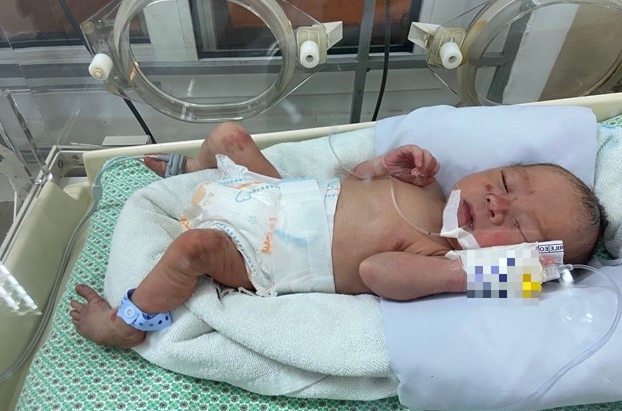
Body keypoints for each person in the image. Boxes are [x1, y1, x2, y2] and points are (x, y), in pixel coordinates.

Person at [70, 122, 604, 348]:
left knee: (193, 249)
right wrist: (384, 165)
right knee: (229, 135)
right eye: (506, 183)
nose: (497, 203)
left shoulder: (438, 256)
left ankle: (126, 324)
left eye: (518, 226)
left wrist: (473, 274)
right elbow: (354, 183)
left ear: (517, 260)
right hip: (269, 194)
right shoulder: (427, 185)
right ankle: (196, 170)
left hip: (261, 253)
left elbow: (375, 272)